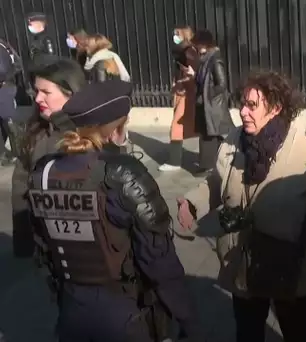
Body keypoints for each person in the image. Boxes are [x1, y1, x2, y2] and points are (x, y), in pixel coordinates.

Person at [25, 79, 198, 342]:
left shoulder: (43, 173)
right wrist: (188, 320)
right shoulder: (122, 173)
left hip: (71, 313)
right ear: (116, 128)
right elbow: (159, 260)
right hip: (124, 316)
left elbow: (43, 250)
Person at [177, 70, 306, 342]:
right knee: (247, 329)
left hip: (288, 262)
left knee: (296, 329)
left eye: (252, 106)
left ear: (276, 108)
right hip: (241, 258)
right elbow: (217, 181)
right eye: (242, 104)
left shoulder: (305, 144)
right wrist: (194, 203)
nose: (243, 112)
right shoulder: (233, 139)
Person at [12, 58, 86, 258]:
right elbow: (20, 189)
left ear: (71, 92)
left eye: (46, 92)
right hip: (47, 249)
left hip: (91, 251)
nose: (37, 99)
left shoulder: (92, 132)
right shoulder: (34, 133)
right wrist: (24, 240)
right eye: (36, 91)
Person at [183, 29, 234, 175]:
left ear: (205, 44)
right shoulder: (206, 59)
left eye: (198, 44)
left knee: (211, 134)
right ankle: (212, 163)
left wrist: (208, 94)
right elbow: (205, 79)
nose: (197, 48)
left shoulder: (215, 60)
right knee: (208, 134)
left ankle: (208, 166)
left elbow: (222, 84)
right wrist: (194, 75)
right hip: (205, 104)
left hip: (212, 106)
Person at [158, 25, 199, 172]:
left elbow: (192, 74)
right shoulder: (186, 51)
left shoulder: (188, 52)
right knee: (193, 125)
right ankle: (206, 158)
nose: (174, 37)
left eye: (177, 34)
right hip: (185, 92)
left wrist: (180, 85)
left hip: (186, 94)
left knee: (177, 126)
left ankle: (174, 162)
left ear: (184, 36)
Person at [0, 38, 22, 166]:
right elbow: (18, 63)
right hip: (8, 86)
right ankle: (13, 153)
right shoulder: (3, 43)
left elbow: (1, 70)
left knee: (8, 121)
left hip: (3, 88)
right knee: (8, 121)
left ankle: (15, 153)